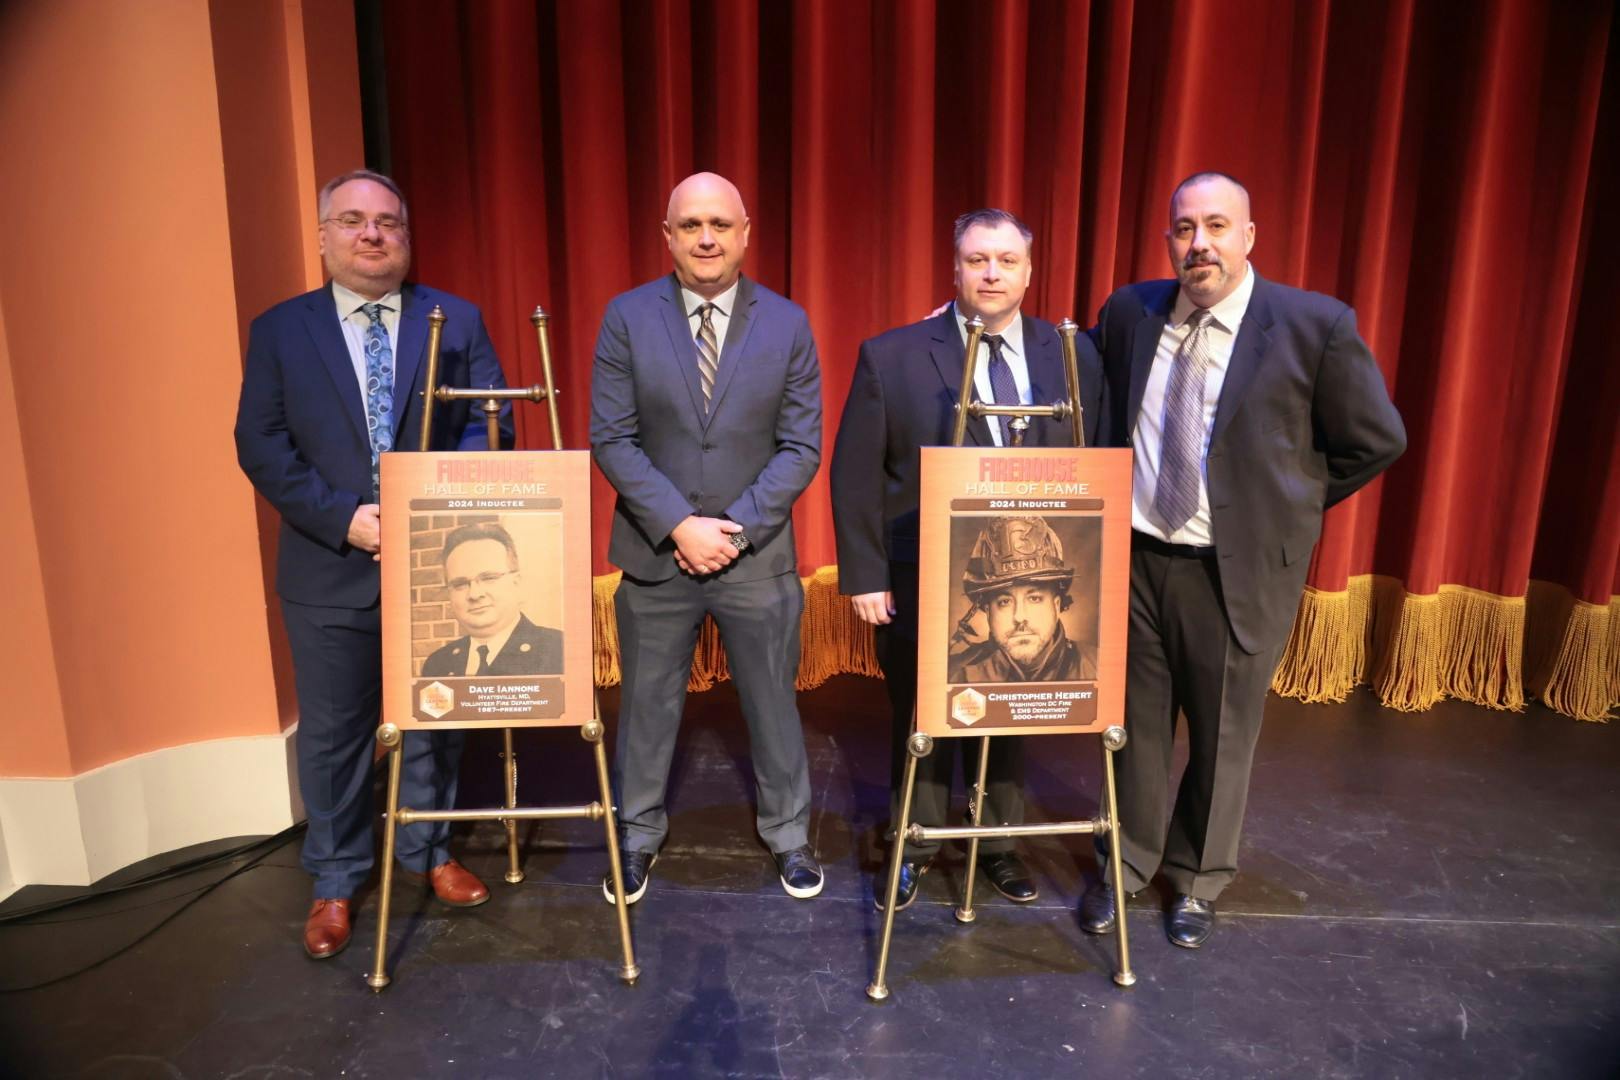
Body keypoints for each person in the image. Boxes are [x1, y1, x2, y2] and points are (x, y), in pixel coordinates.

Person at [1079, 172, 1405, 948]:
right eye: (1184, 229)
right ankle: (1125, 866)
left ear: (1249, 236)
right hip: (1135, 559)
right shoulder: (1130, 312)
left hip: (1233, 572)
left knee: (1224, 734)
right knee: (1134, 729)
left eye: (1217, 227)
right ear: (1169, 241)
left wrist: (1281, 508)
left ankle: (1196, 881)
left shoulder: (1312, 325)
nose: (1200, 245)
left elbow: (1376, 440)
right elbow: (1085, 391)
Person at [235, 169, 511, 960]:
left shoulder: (453, 319)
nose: (371, 234)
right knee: (334, 733)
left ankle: (426, 851)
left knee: (434, 718)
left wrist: (432, 504)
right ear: (324, 235)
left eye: (387, 222)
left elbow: (488, 425)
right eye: (352, 221)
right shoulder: (282, 330)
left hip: (436, 561)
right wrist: (345, 519)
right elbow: (261, 443)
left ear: (406, 235)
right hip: (330, 565)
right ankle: (335, 879)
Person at [830, 209, 1104, 911]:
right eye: (978, 260)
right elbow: (856, 472)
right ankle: (913, 842)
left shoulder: (1072, 354)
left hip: (1028, 582)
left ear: (1028, 272)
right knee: (922, 718)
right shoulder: (893, 355)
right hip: (921, 573)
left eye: (1006, 261)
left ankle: (998, 844)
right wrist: (864, 575)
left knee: (1013, 710)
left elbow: (1095, 461)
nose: (991, 273)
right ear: (955, 269)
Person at [589, 172, 824, 904]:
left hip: (756, 558)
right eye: (690, 225)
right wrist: (681, 527)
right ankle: (636, 836)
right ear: (667, 237)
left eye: (720, 224)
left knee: (772, 706)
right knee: (648, 708)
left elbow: (801, 445)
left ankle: (789, 835)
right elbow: (614, 437)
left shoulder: (787, 323)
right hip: (657, 553)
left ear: (746, 233)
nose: (706, 238)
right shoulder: (627, 317)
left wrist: (735, 530)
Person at [947, 516, 1098, 684]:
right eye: (1004, 602)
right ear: (988, 612)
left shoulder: (1099, 667)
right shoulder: (956, 676)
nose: (1019, 617)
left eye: (1034, 598)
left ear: (1056, 607)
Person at [420, 523, 563, 677]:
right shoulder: (437, 664)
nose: (474, 594)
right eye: (460, 584)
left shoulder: (558, 650)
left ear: (517, 583)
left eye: (489, 578)